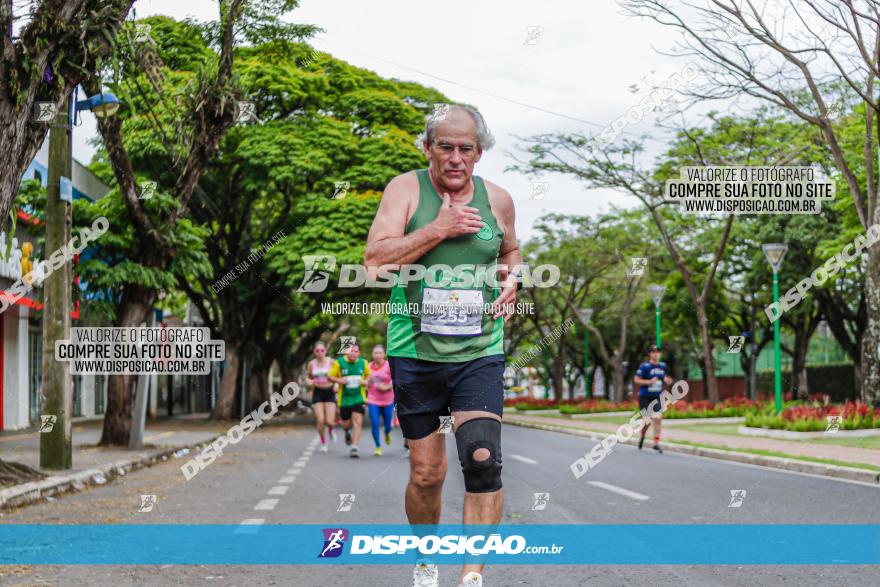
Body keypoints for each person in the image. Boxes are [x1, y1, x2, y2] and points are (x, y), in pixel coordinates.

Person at [364, 104, 520, 587]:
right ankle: (426, 558)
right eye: (445, 146)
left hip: (479, 348)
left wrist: (514, 278)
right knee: (428, 472)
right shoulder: (406, 189)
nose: (455, 158)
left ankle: (471, 577)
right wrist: (439, 229)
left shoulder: (498, 199)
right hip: (415, 351)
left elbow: (511, 249)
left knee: (481, 458)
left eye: (465, 148)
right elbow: (374, 262)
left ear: (479, 152)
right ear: (428, 147)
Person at [329, 343, 371, 458]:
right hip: (344, 399)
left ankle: (354, 447)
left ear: (359, 353)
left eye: (356, 351)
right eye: (351, 351)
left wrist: (365, 381)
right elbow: (330, 377)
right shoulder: (339, 363)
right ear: (347, 352)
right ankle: (347, 432)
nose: (353, 353)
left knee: (357, 421)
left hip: (359, 397)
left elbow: (369, 376)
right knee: (346, 424)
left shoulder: (364, 363)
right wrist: (339, 380)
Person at [633, 345, 674, 453]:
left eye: (658, 352)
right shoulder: (644, 366)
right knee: (647, 421)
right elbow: (636, 380)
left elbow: (664, 377)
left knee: (658, 418)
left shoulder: (663, 366)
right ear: (650, 354)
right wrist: (649, 382)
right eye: (653, 352)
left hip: (657, 397)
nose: (656, 354)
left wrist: (667, 380)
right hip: (645, 397)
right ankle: (642, 436)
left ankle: (656, 443)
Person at [305, 342, 336, 453]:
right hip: (317, 392)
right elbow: (308, 377)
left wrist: (336, 384)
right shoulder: (311, 364)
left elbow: (338, 375)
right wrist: (309, 382)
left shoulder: (331, 362)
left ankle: (331, 430)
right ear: (314, 352)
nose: (320, 353)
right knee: (320, 420)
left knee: (330, 421)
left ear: (325, 351)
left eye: (322, 350)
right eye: (317, 351)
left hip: (330, 391)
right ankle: (323, 443)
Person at [367, 344, 395, 456]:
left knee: (388, 425)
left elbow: (396, 379)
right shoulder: (368, 367)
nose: (377, 355)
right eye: (375, 353)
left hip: (388, 400)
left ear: (384, 354)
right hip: (373, 400)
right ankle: (378, 446)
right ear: (372, 354)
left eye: (380, 352)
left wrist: (387, 387)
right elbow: (366, 381)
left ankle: (387, 433)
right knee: (374, 423)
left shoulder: (389, 366)